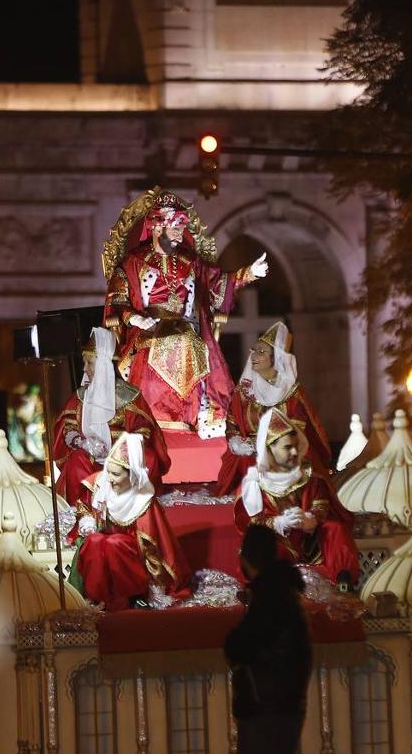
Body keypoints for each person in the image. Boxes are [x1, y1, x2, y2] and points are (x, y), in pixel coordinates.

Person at [103, 192, 268, 436]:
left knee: (189, 342)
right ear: (158, 228)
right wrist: (134, 318)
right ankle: (153, 416)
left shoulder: (189, 260)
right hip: (147, 328)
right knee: (173, 342)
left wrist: (248, 273)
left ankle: (192, 415)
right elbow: (117, 298)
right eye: (176, 228)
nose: (182, 234)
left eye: (183, 227)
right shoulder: (134, 261)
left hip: (185, 327)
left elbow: (217, 283)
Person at [234, 407, 359, 585]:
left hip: (309, 542)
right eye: (287, 447)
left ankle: (343, 580)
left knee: (335, 528)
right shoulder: (254, 484)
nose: (294, 452)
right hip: (278, 543)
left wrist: (310, 519)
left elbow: (321, 505)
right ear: (270, 448)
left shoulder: (309, 475)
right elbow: (250, 523)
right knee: (262, 545)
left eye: (295, 446)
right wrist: (279, 523)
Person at [51, 327, 167, 515]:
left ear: (104, 364)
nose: (84, 369)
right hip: (90, 460)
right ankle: (84, 514)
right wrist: (82, 442)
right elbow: (68, 427)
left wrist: (120, 450)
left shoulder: (130, 396)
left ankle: (134, 512)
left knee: (150, 458)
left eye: (89, 363)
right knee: (75, 461)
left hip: (123, 461)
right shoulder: (80, 397)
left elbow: (144, 430)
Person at [68, 433, 189, 611]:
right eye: (108, 472)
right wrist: (86, 519)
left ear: (132, 475)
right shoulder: (101, 485)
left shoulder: (143, 502)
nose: (110, 478)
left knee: (113, 543)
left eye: (116, 474)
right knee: (94, 541)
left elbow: (154, 548)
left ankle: (122, 600)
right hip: (102, 546)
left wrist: (157, 583)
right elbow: (84, 506)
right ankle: (96, 596)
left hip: (132, 561)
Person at [225, 524, 312, 754]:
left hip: (265, 707)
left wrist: (234, 643)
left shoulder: (269, 596)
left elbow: (245, 644)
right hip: (284, 704)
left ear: (247, 557)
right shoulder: (284, 592)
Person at [215, 321, 330, 496]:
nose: (254, 355)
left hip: (283, 453)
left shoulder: (291, 393)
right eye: (254, 350)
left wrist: (266, 444)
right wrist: (236, 441)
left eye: (261, 352)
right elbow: (232, 423)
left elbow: (297, 429)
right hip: (247, 455)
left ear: (276, 358)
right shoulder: (244, 391)